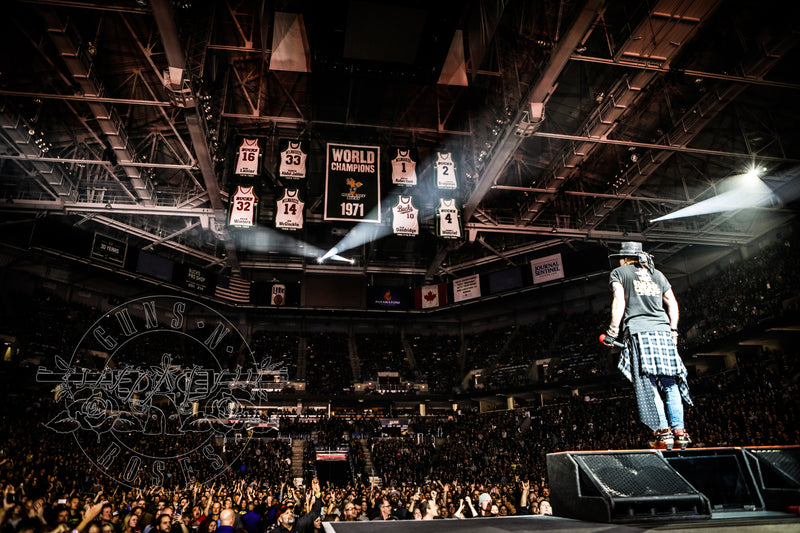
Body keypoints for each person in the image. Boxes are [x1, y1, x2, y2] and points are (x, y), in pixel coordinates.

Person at [605, 241, 692, 449]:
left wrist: (613, 331)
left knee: (648, 382)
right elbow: (672, 303)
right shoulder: (657, 274)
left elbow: (619, 300)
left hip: (639, 331)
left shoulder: (619, 273)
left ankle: (663, 432)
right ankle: (680, 432)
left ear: (625, 258)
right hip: (663, 331)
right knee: (670, 383)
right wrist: (673, 330)